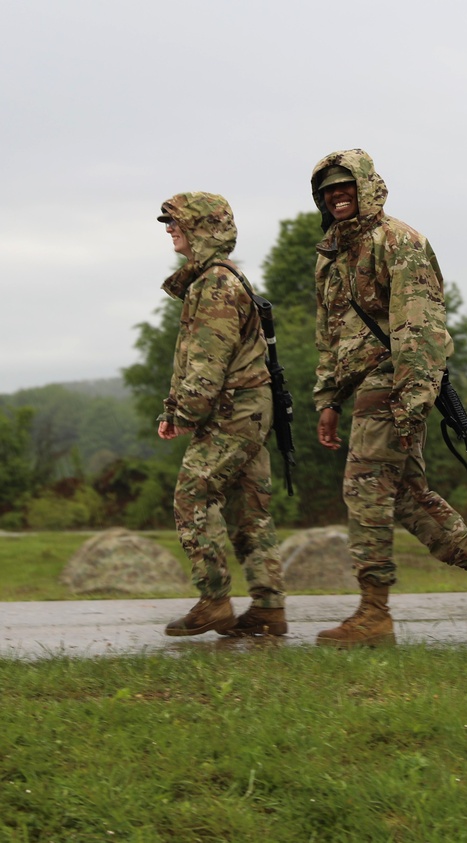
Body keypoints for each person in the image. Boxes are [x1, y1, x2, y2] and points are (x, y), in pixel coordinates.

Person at [310, 148, 467, 647]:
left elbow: (419, 327)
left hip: (393, 384)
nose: (337, 195)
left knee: (364, 490)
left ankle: (374, 614)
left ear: (366, 188)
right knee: (407, 498)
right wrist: (327, 400)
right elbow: (331, 336)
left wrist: (412, 400)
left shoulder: (399, 242)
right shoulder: (331, 257)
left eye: (346, 186)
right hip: (364, 387)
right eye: (328, 190)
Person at [156, 192, 287, 637]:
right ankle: (268, 608)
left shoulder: (215, 283)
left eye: (177, 222)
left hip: (232, 410)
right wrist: (175, 406)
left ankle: (214, 601)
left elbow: (207, 363)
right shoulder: (219, 279)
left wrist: (182, 414)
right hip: (248, 409)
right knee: (251, 511)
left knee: (192, 496)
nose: (169, 229)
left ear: (202, 228)